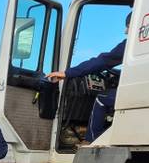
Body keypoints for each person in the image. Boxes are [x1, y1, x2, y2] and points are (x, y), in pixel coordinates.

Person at [47, 12, 130, 142]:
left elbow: (102, 61)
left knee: (101, 98)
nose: (126, 31)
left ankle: (91, 140)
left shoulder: (132, 44)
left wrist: (67, 73)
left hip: (144, 92)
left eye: (128, 26)